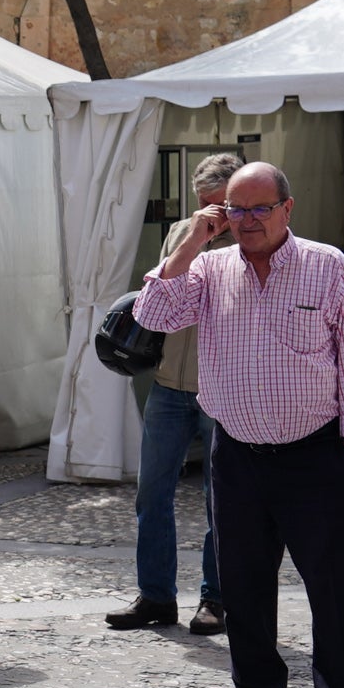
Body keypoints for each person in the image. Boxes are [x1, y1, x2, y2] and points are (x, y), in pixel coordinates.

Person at [132, 162, 344, 688]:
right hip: (239, 454)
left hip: (317, 451)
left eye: (258, 209)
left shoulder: (326, 266)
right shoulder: (210, 268)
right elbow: (153, 314)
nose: (245, 221)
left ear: (287, 208)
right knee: (244, 588)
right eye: (234, 210)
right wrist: (193, 240)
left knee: (338, 595)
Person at [112, 153, 240, 634]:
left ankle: (215, 599)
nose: (214, 216)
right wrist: (193, 238)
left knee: (218, 499)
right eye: (205, 204)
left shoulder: (252, 236)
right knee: (151, 494)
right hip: (169, 382)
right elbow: (164, 286)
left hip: (218, 386)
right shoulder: (186, 230)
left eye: (222, 206)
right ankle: (156, 596)